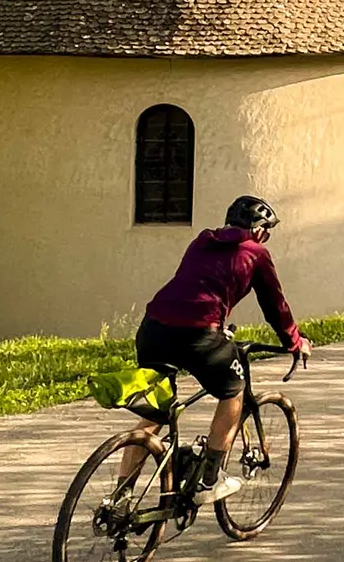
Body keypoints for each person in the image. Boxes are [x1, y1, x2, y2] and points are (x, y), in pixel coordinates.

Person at [132, 195, 312, 503]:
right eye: (266, 231)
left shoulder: (200, 242)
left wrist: (219, 326)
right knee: (234, 392)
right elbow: (275, 305)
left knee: (157, 411)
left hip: (152, 329)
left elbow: (192, 289)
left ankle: (120, 497)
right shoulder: (256, 253)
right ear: (258, 230)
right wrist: (294, 341)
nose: (266, 238)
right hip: (198, 335)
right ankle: (208, 481)